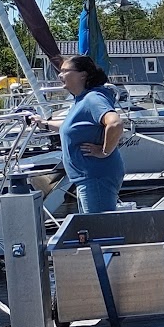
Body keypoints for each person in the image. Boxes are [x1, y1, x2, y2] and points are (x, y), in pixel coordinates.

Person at [52, 54, 127, 213]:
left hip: (96, 178)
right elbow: (73, 127)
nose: (60, 75)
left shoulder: (93, 98)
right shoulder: (81, 99)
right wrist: (43, 124)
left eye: (65, 71)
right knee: (92, 229)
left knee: (99, 230)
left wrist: (104, 151)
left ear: (83, 75)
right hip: (88, 178)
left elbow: (115, 123)